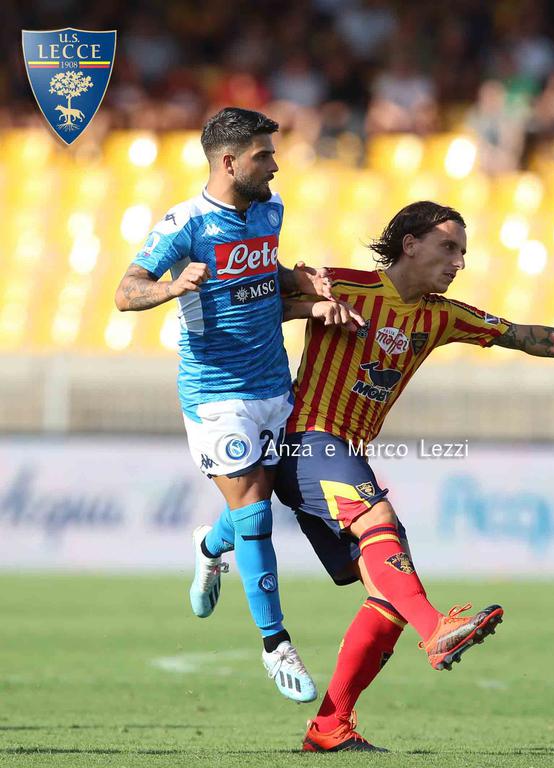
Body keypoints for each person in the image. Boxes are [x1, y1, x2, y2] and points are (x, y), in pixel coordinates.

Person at [276, 201, 554, 751]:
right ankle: (436, 630)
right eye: (448, 247)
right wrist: (309, 306)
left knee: (390, 595)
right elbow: (251, 306)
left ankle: (330, 726)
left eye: (463, 252)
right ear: (410, 244)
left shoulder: (442, 316)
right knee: (380, 522)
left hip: (347, 453)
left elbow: (525, 336)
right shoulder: (343, 285)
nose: (459, 262)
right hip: (305, 440)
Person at [113, 107, 362, 703]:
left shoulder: (269, 212)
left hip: (273, 385)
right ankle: (276, 644)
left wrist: (302, 288)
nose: (274, 165)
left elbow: (260, 282)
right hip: (216, 392)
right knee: (254, 517)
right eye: (263, 155)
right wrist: (172, 287)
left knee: (255, 504)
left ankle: (208, 547)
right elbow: (125, 292)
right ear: (229, 162)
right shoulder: (186, 224)